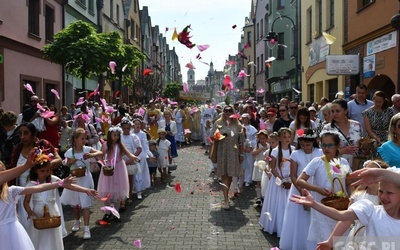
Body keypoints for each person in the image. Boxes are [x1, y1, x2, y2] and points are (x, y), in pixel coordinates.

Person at [292, 166, 400, 248]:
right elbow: (341, 216)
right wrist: (314, 204)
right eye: (380, 191)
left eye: (389, 193)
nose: (383, 196)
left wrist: (383, 173)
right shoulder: (370, 210)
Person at [24, 151, 98, 247]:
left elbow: (70, 186)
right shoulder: (31, 184)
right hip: (38, 214)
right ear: (35, 171)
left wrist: (86, 190)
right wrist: (29, 211)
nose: (45, 173)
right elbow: (26, 201)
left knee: (52, 239)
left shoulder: (54, 180)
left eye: (47, 170)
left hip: (53, 212)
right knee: (39, 240)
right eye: (42, 171)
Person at [0, 160, 76, 250]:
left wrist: (60, 183)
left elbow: (39, 188)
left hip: (12, 232)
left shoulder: (11, 191)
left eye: (3, 172)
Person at [296, 131, 352, 249]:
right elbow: (300, 180)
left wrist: (351, 198)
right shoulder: (317, 162)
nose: (326, 148)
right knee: (324, 242)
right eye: (323, 145)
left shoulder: (343, 162)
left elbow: (348, 183)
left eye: (330, 145)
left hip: (340, 207)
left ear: (338, 146)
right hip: (322, 209)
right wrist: (317, 189)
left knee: (340, 242)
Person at [316, 160, 388, 249]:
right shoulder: (358, 196)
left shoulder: (388, 198)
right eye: (365, 173)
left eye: (373, 174)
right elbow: (345, 220)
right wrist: (330, 241)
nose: (368, 177)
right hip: (357, 237)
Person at [9, 123, 62, 227]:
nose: (22, 137)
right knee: (26, 224)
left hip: (40, 193)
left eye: (26, 133)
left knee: (43, 224)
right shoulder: (17, 150)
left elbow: (59, 161)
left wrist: (44, 163)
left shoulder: (43, 145)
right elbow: (12, 170)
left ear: (33, 134)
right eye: (20, 134)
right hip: (23, 194)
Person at [279, 128, 323, 250]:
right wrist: (302, 191)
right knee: (299, 218)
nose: (305, 147)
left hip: (316, 187)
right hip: (299, 187)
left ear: (313, 141)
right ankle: (298, 243)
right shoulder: (296, 154)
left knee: (315, 217)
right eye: (302, 145)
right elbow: (293, 175)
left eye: (308, 145)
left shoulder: (320, 152)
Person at [60, 127, 103, 239]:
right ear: (75, 139)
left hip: (86, 179)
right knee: (76, 204)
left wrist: (92, 155)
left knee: (86, 204)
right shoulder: (70, 152)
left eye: (85, 138)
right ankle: (77, 221)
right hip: (75, 179)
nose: (84, 140)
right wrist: (70, 161)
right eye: (82, 138)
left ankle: (87, 228)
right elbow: (66, 164)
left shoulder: (87, 149)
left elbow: (100, 151)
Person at [98, 126, 139, 222]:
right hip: (109, 168)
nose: (116, 137)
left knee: (118, 191)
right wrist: (103, 163)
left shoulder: (121, 145)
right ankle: (107, 212)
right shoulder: (105, 145)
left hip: (119, 168)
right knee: (107, 190)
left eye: (117, 135)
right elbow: (100, 156)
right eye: (114, 135)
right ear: (110, 135)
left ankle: (116, 212)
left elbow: (129, 154)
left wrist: (135, 157)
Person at [259, 127, 294, 237]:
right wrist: (281, 179)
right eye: (284, 137)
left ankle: (286, 225)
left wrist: (290, 178)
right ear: (279, 138)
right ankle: (276, 225)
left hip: (290, 179)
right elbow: (273, 168)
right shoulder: (275, 151)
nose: (287, 139)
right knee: (277, 202)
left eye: (289, 137)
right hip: (278, 180)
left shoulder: (293, 149)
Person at [212, 105, 244, 210]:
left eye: (230, 110)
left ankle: (227, 195)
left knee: (230, 175)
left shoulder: (238, 125)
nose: (228, 112)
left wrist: (241, 154)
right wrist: (221, 135)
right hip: (222, 152)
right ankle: (226, 200)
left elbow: (241, 142)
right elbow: (213, 137)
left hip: (233, 153)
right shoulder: (218, 123)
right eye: (225, 110)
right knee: (224, 176)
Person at [322, 99, 362, 169]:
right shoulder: (327, 128)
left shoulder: (357, 125)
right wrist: (343, 151)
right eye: (332, 111)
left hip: (356, 165)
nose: (334, 114)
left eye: (337, 111)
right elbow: (323, 150)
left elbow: (362, 144)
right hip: (336, 166)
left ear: (346, 111)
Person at [120, 119, 142, 206]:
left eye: (128, 128)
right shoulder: (119, 136)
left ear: (130, 128)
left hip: (130, 159)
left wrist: (131, 159)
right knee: (122, 179)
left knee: (130, 179)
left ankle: (129, 196)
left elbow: (139, 148)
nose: (126, 130)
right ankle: (122, 197)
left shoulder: (134, 137)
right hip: (121, 160)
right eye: (124, 128)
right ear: (122, 128)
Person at [132, 119, 152, 200]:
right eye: (136, 124)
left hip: (141, 156)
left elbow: (145, 146)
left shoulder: (143, 134)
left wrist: (149, 154)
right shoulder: (131, 134)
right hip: (133, 155)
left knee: (140, 173)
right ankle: (135, 188)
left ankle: (140, 190)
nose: (137, 125)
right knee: (135, 174)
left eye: (139, 124)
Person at [251, 130, 269, 205]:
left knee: (265, 182)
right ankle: (258, 197)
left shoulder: (268, 146)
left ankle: (264, 196)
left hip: (265, 165)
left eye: (263, 138)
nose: (262, 140)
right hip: (259, 165)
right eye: (260, 138)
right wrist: (261, 149)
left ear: (266, 138)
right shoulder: (257, 145)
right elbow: (253, 153)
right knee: (259, 182)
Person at [241, 113, 257, 186]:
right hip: (241, 147)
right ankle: (241, 178)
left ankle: (248, 180)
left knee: (249, 163)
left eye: (245, 118)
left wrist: (250, 147)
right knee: (241, 163)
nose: (243, 120)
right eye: (242, 118)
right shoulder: (240, 127)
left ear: (248, 119)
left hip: (249, 149)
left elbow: (255, 139)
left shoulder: (252, 128)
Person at [260, 132, 278, 200]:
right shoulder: (267, 152)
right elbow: (263, 164)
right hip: (268, 172)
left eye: (273, 142)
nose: (271, 144)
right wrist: (267, 172)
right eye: (269, 142)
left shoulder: (280, 152)